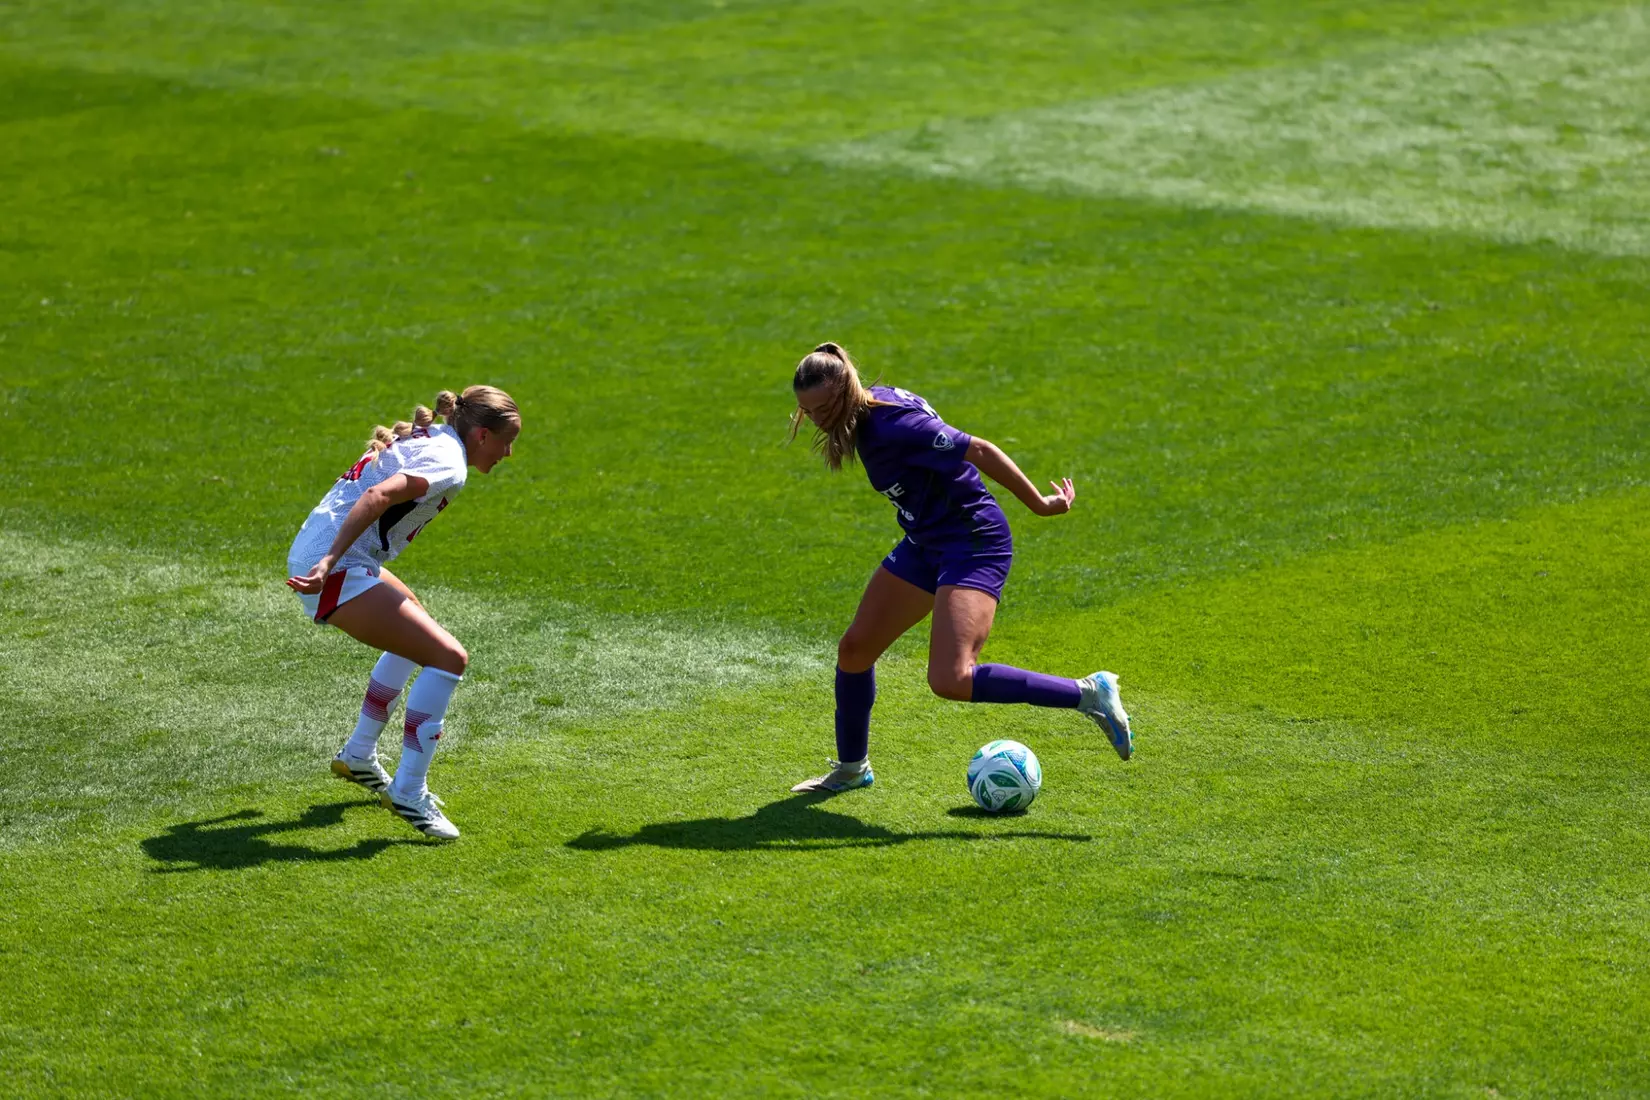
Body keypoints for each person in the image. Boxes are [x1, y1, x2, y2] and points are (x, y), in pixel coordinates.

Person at [787, 343, 1131, 794]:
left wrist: (1040, 505)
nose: (816, 418)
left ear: (846, 390)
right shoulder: (870, 409)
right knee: (854, 651)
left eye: (824, 407)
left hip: (973, 542)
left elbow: (980, 450)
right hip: (925, 541)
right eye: (806, 410)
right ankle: (852, 768)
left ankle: (1090, 693)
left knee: (951, 678)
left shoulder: (894, 424)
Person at [285, 387, 520, 839]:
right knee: (450, 658)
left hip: (332, 555)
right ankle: (410, 792)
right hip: (335, 566)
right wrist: (328, 563)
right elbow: (376, 496)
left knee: (418, 630)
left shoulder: (434, 439)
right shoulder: (449, 462)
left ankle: (358, 754)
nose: (508, 454)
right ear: (483, 436)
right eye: (506, 442)